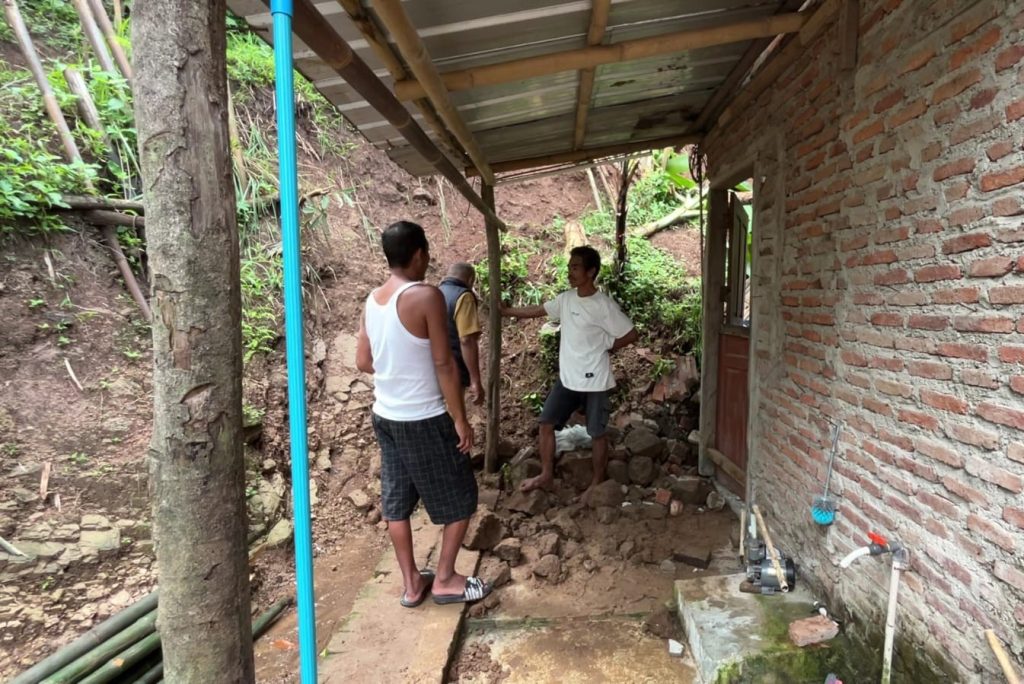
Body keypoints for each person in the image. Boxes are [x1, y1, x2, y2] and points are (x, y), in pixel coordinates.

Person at [356, 220, 491, 607]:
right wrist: (460, 419)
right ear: (419, 255)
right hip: (425, 417)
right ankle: (446, 578)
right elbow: (445, 365)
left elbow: (364, 361)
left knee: (396, 503)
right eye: (426, 252)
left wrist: (397, 370)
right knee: (462, 498)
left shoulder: (372, 299)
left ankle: (413, 584)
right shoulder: (426, 296)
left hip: (385, 415)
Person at [501, 245, 638, 496]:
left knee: (597, 433)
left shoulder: (603, 305)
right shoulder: (565, 299)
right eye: (569, 267)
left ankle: (597, 482)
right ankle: (546, 473)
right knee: (546, 423)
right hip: (568, 378)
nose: (570, 272)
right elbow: (538, 310)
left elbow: (631, 334)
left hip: (595, 379)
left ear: (591, 271)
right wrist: (507, 311)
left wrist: (606, 347)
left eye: (575, 267)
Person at [438, 262, 484, 405]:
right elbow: (467, 340)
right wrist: (475, 379)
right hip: (453, 369)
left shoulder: (434, 292)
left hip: (430, 367)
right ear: (470, 280)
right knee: (454, 416)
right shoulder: (464, 297)